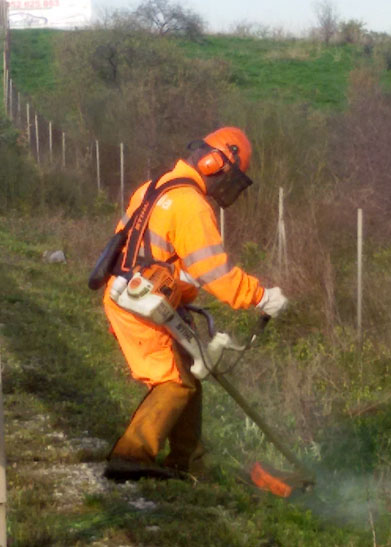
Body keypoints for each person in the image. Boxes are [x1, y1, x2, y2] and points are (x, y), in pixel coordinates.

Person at [101, 126, 289, 481]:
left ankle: (188, 462)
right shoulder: (191, 205)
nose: (225, 187)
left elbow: (134, 248)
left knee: (188, 373)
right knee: (175, 382)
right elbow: (216, 273)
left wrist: (181, 285)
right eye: (228, 177)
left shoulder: (154, 187)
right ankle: (130, 457)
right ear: (213, 162)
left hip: (134, 295)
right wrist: (262, 297)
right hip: (142, 307)